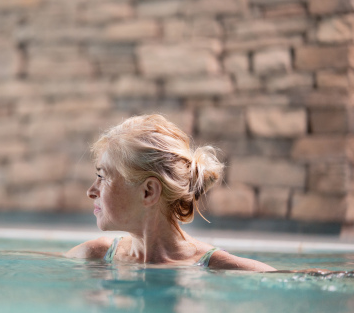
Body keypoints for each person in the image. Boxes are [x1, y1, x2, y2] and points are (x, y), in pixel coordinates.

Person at [65, 114, 276, 272]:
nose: (91, 191)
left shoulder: (219, 268)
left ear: (148, 191)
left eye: (102, 177)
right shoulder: (94, 255)